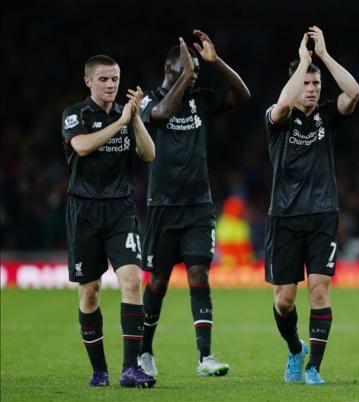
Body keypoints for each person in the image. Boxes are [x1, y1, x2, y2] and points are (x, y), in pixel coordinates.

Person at [137, 30, 251, 377]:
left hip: (199, 206)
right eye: (187, 70)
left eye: (196, 72)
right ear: (169, 69)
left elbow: (242, 96)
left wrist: (217, 64)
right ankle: (144, 352)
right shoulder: (147, 100)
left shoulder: (200, 98)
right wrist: (187, 74)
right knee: (157, 282)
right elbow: (159, 114)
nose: (194, 75)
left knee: (199, 273)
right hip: (162, 207)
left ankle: (205, 357)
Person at [264, 26, 359, 385]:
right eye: (306, 83)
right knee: (284, 302)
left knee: (319, 289)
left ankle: (314, 368)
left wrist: (322, 57)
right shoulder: (276, 119)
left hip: (322, 214)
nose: (312, 89)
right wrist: (302, 62)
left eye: (315, 84)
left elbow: (353, 92)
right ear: (294, 84)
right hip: (284, 216)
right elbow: (283, 105)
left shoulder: (326, 116)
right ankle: (295, 349)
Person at [61, 55, 156, 387]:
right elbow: (82, 146)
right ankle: (99, 370)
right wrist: (120, 123)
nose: (112, 84)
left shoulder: (126, 114)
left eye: (115, 78)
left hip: (120, 209)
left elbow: (149, 154)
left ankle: (130, 369)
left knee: (132, 282)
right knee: (90, 292)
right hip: (84, 211)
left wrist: (135, 119)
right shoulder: (75, 115)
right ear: (88, 81)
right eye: (104, 79)